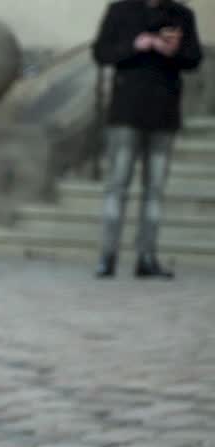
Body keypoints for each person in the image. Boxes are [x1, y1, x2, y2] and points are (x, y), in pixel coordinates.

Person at [92, 0, 203, 279]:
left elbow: (194, 58)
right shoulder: (121, 10)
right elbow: (101, 52)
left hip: (163, 114)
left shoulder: (181, 14)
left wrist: (172, 51)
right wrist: (135, 45)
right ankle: (108, 256)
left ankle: (147, 256)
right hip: (126, 111)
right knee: (117, 186)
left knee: (154, 190)